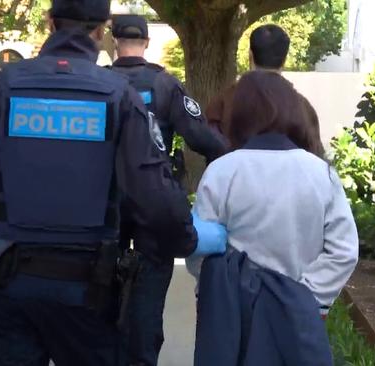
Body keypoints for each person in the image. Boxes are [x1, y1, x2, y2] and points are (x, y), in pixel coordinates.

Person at [0, 1, 227, 365]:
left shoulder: (2, 87)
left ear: (51, 22)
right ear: (102, 31)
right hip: (87, 291)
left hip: (7, 282)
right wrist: (189, 239)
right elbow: (155, 200)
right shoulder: (120, 96)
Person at [187, 71, 359, 365]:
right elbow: (344, 250)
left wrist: (222, 290)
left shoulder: (222, 171)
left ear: (238, 114)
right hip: (298, 314)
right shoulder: (320, 173)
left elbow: (197, 248)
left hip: (232, 316)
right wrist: (308, 296)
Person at [107, 14, 227, 366]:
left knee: (101, 310)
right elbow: (205, 141)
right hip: (153, 212)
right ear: (145, 43)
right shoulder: (164, 85)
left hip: (104, 210)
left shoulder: (100, 83)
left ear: (114, 41)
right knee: (146, 316)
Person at [206, 24, 317, 145]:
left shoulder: (222, 103)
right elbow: (314, 151)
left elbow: (212, 146)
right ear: (284, 60)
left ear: (250, 56)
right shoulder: (302, 107)